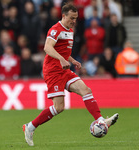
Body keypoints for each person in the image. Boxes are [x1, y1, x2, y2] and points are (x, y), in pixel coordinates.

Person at [22, 4, 119, 146]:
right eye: (71, 18)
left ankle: (99, 120)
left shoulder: (70, 30)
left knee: (86, 90)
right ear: (63, 16)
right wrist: (61, 59)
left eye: (76, 18)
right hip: (53, 71)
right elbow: (47, 47)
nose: (73, 21)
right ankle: (30, 127)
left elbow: (63, 51)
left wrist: (72, 60)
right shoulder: (56, 29)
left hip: (64, 69)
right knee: (59, 107)